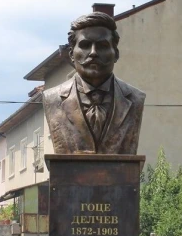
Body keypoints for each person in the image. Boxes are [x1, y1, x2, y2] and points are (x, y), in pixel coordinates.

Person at [43, 11, 145, 155]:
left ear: (116, 53)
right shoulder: (52, 99)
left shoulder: (135, 98)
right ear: (72, 54)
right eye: (85, 45)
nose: (93, 53)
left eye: (102, 46)